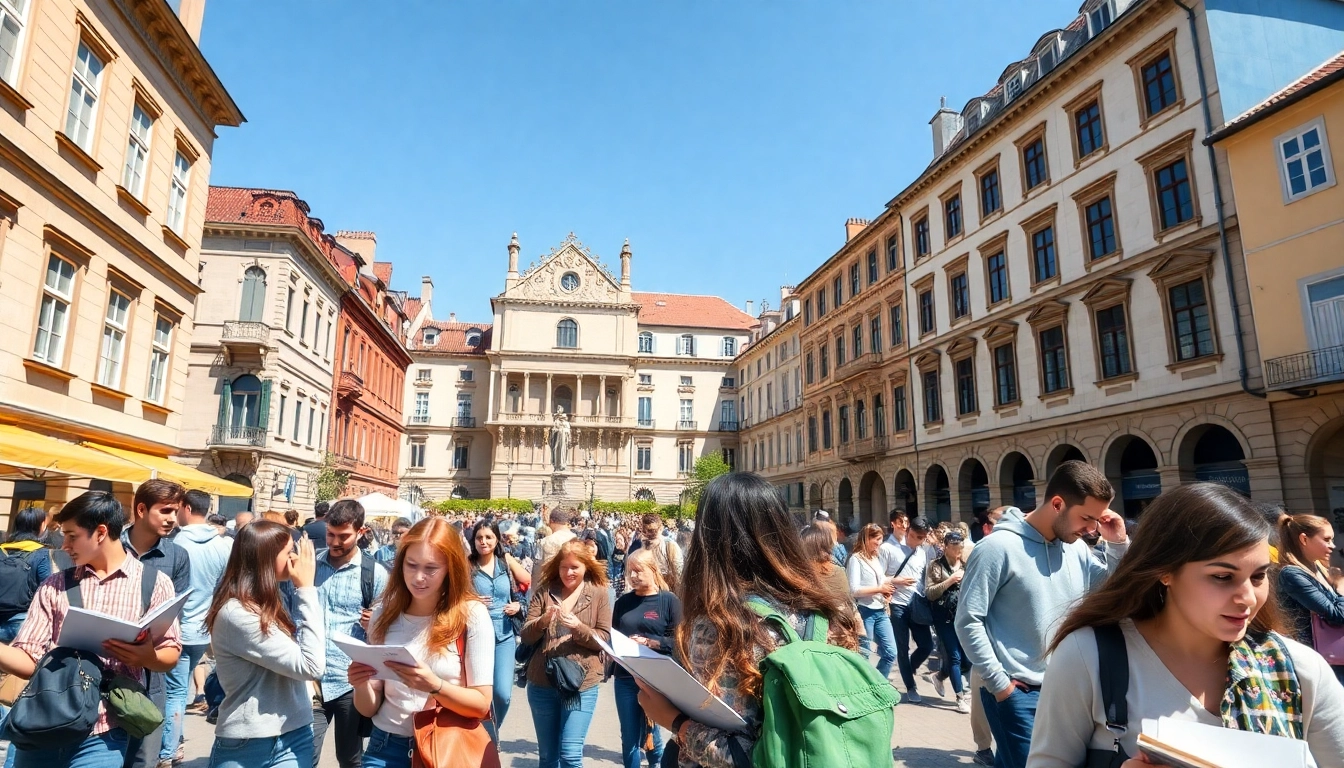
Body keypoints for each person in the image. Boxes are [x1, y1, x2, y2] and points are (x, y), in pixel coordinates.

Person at [1028, 483, 1344, 767]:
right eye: (1222, 577)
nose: (1248, 597)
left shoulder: (1300, 669)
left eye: (1259, 575)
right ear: (1165, 572)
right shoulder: (1089, 657)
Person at [634, 473, 864, 767]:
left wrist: (673, 721)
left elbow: (739, 755)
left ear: (710, 539)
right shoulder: (831, 612)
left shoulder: (723, 624)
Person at [955, 461, 1127, 768]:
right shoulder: (997, 548)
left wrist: (1117, 544)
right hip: (1018, 693)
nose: (1091, 529)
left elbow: (1114, 590)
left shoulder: (1075, 548)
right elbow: (968, 621)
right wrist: (1001, 685)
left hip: (1068, 690)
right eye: (1087, 518)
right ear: (1058, 504)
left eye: (1096, 520)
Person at [0, 491, 181, 768]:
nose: (64, 546)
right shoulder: (55, 585)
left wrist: (147, 657)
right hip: (44, 724)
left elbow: (170, 652)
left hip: (105, 732)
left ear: (100, 532)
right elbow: (27, 661)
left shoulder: (154, 583)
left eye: (72, 536)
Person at [349, 518, 494, 768]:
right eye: (411, 565)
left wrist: (435, 686)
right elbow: (368, 709)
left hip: (446, 748)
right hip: (385, 748)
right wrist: (360, 684)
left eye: (431, 568)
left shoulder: (471, 615)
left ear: (450, 568)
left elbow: (481, 704)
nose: (418, 577)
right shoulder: (383, 615)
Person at [206, 521, 323, 768]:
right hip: (249, 744)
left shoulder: (268, 600)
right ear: (266, 559)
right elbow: (310, 666)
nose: (294, 558)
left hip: (295, 733)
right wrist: (307, 589)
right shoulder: (237, 613)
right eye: (288, 551)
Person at [290, 499, 389, 768]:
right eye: (331, 534)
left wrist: (375, 626)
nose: (335, 542)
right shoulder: (308, 567)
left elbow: (386, 632)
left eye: (343, 536)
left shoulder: (375, 574)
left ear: (361, 532)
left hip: (350, 680)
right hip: (310, 679)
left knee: (349, 757)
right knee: (303, 755)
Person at [520, 540, 612, 768]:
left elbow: (604, 640)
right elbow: (525, 635)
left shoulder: (599, 594)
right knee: (547, 757)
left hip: (581, 682)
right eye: (564, 567)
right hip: (542, 680)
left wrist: (578, 627)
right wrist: (542, 621)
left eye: (574, 567)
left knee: (570, 755)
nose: (568, 572)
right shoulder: (545, 592)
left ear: (586, 567)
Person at [122, 479, 192, 768]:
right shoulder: (111, 546)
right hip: (106, 662)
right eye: (165, 511)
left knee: (143, 757)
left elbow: (175, 614)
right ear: (141, 509)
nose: (173, 519)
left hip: (152, 670)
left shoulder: (176, 556)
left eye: (175, 511)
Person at [161, 490, 232, 768]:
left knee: (176, 691)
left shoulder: (175, 543)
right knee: (183, 686)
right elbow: (226, 587)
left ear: (187, 508)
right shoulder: (222, 545)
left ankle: (169, 749)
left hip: (175, 628)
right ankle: (173, 743)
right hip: (204, 627)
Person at [610, 548, 680, 768]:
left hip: (656, 678)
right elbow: (613, 635)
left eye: (638, 571)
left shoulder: (669, 601)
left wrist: (650, 643)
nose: (633, 576)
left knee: (653, 729)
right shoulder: (623, 602)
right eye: (630, 571)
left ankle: (655, 764)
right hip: (625, 676)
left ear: (653, 570)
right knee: (629, 735)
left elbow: (679, 642)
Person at [467, 521, 529, 740]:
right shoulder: (467, 566)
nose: (483, 542)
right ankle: (484, 740)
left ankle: (489, 735)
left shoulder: (505, 561)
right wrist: (469, 600)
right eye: (479, 538)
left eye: (488, 537)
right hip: (475, 637)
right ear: (473, 540)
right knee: (479, 694)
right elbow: (451, 597)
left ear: (496, 539)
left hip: (504, 635)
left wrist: (519, 605)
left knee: (502, 694)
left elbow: (529, 584)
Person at [1276, 513, 1344, 686]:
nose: (1332, 546)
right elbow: (1337, 614)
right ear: (1304, 539)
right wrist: (1340, 584)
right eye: (1327, 540)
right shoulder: (1291, 574)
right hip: (1315, 660)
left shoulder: (1316, 567)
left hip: (1332, 656)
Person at [883, 515, 937, 703]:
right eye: (913, 536)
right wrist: (894, 580)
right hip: (897, 605)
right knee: (902, 648)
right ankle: (910, 686)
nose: (915, 541)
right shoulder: (888, 549)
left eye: (920, 538)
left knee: (927, 645)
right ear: (907, 531)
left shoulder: (923, 551)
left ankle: (909, 667)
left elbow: (929, 574)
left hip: (917, 603)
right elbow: (878, 577)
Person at [926, 529, 971, 713]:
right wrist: (950, 580)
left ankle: (940, 675)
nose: (959, 550)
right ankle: (960, 698)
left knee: (967, 661)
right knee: (954, 656)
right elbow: (929, 592)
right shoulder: (936, 565)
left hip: (964, 617)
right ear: (945, 547)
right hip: (943, 617)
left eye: (960, 546)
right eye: (954, 546)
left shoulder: (967, 565)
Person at [846, 523, 898, 681]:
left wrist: (886, 593)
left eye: (881, 539)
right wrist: (879, 589)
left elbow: (881, 581)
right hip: (864, 611)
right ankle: (864, 687)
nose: (879, 543)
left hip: (880, 610)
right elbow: (853, 590)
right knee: (864, 654)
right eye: (876, 540)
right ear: (866, 539)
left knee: (890, 652)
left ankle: (879, 683)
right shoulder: (856, 559)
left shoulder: (876, 558)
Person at [0, 507, 54, 642]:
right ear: (41, 525)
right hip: (21, 619)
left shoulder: (2, 548)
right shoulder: (41, 553)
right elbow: (46, 586)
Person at [629, 513, 683, 593]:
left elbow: (678, 573)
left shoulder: (670, 546)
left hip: (665, 591)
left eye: (652, 531)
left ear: (661, 529)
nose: (648, 534)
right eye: (644, 531)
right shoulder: (637, 545)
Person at [531, 507, 577, 587]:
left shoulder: (546, 541)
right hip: (572, 585)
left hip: (551, 587)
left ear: (551, 521)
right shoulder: (577, 539)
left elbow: (538, 569)